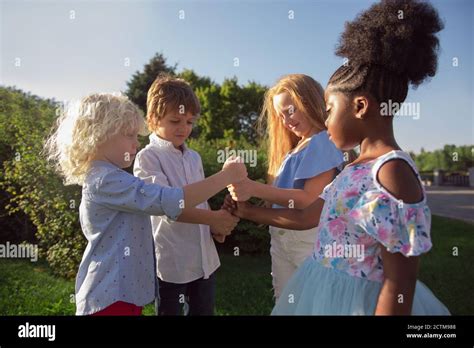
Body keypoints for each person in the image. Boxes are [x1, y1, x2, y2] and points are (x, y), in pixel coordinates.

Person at [225, 0, 450, 315]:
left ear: (360, 107)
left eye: (329, 110)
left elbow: (399, 282)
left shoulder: (391, 173)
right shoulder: (355, 165)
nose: (325, 120)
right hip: (324, 287)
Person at [44, 93, 246, 315]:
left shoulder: (112, 177)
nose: (136, 142)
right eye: (130, 135)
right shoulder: (106, 180)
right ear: (98, 135)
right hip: (110, 296)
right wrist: (226, 176)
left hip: (123, 292)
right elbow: (169, 200)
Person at [227, 74, 344, 300]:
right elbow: (281, 199)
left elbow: (307, 199)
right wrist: (244, 197)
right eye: (281, 115)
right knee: (285, 301)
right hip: (281, 241)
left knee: (313, 304)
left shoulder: (322, 141)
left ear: (309, 102)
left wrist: (253, 188)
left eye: (290, 111)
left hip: (309, 242)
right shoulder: (294, 150)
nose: (285, 121)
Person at [134, 75, 238, 315]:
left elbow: (199, 199)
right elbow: (167, 206)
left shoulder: (194, 158)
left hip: (205, 261)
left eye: (190, 121)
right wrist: (214, 218)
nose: (184, 128)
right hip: (173, 263)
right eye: (175, 120)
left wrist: (216, 227)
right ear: (152, 120)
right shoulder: (148, 158)